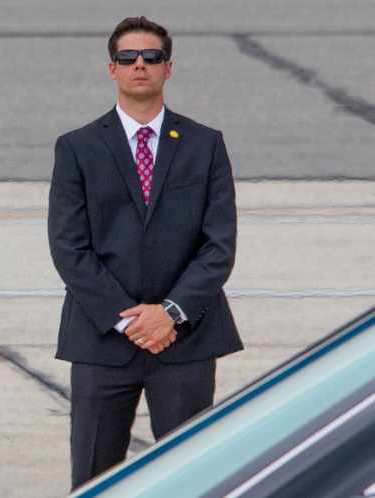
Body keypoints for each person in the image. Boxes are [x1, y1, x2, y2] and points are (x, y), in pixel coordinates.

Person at [47, 16, 243, 489]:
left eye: (151, 57)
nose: (140, 65)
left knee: (191, 478)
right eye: (128, 58)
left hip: (186, 341)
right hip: (102, 341)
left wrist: (170, 313)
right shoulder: (77, 148)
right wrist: (130, 319)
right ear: (111, 69)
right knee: (96, 477)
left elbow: (219, 246)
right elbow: (69, 246)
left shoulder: (205, 144)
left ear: (168, 68)